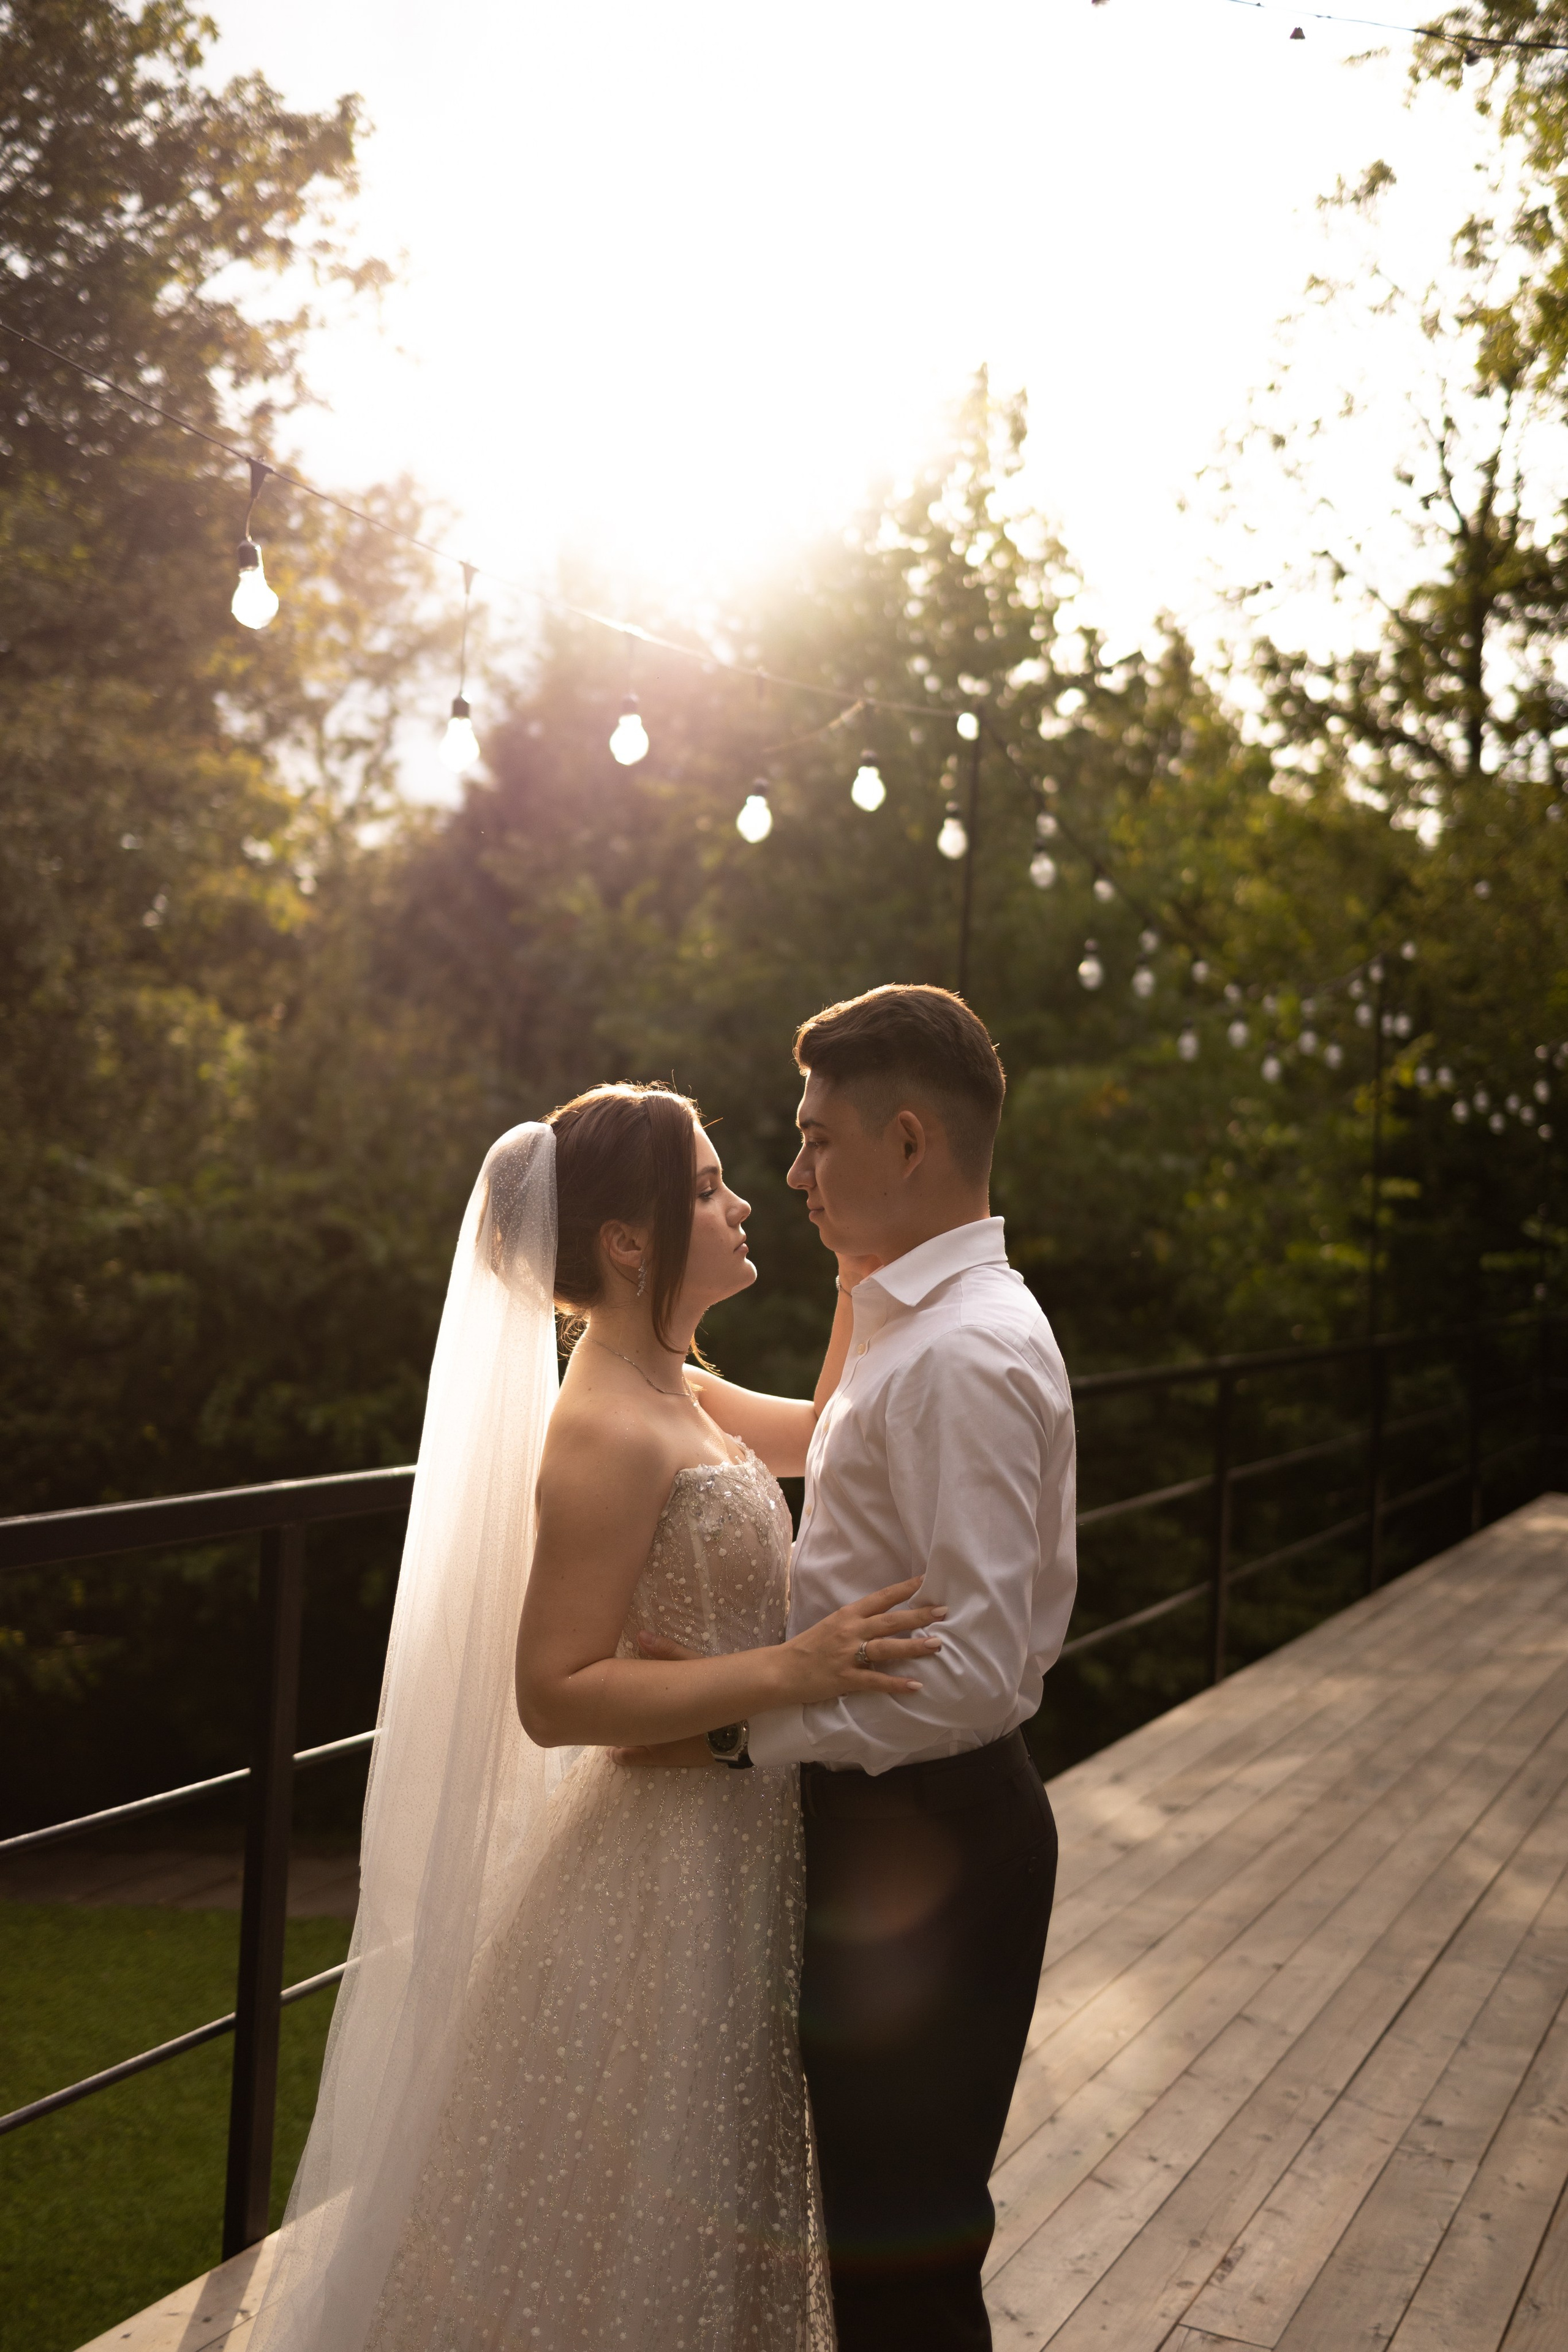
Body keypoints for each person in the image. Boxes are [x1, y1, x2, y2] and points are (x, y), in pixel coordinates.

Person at [248, 1082, 944, 2352]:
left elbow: (826, 1438)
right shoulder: (604, 1426)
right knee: (633, 2213)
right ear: (627, 1242)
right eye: (703, 1187)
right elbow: (554, 1692)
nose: (739, 1205)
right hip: (655, 1876)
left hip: (735, 1844)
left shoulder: (677, 1388)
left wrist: (859, 1261)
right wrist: (789, 1670)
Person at [625, 986, 1077, 2352]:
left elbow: (971, 1674)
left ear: (906, 1142)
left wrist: (726, 1730)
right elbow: (825, 1450)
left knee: (906, 2260)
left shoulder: (965, 1354)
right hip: (891, 1835)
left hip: (929, 1842)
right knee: (884, 2241)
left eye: (816, 1141)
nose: (793, 1172)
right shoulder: (906, 1320)